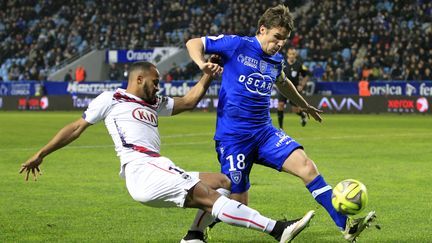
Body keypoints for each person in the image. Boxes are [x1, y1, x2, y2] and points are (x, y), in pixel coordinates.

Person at [20, 61, 315, 243]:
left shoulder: (152, 103)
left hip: (157, 167)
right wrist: (42, 153)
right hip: (142, 169)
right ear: (139, 80)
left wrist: (208, 77)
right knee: (208, 197)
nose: (159, 86)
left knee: (223, 182)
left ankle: (194, 236)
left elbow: (187, 102)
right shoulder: (111, 99)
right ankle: (276, 229)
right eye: (155, 81)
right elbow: (76, 127)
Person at [185, 4, 376, 243]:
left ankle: (345, 226)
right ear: (262, 29)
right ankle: (195, 233)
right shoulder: (236, 44)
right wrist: (201, 63)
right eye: (276, 37)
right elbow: (194, 42)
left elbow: (283, 83)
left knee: (307, 167)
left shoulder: (275, 60)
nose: (279, 44)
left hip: (265, 133)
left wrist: (303, 104)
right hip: (233, 138)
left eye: (284, 40)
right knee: (236, 203)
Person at [276, 47, 310, 129]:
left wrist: (301, 85)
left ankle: (302, 115)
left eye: (293, 54)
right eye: (290, 54)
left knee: (295, 110)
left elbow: (306, 76)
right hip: (283, 88)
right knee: (280, 105)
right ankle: (281, 128)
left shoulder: (299, 65)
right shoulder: (282, 63)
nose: (292, 56)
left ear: (296, 55)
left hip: (293, 90)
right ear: (287, 54)